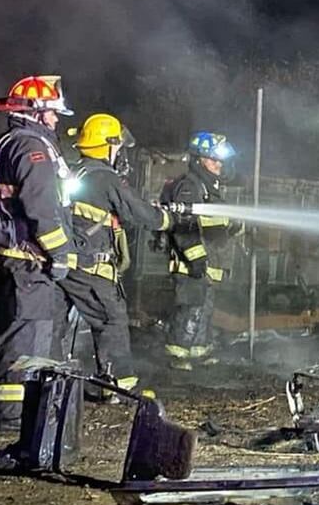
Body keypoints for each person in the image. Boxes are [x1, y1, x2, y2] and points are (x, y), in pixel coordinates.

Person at [61, 113, 183, 392]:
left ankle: (55, 381)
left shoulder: (76, 172)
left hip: (67, 262)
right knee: (111, 319)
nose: (120, 153)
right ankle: (119, 385)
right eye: (117, 146)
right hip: (89, 264)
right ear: (107, 145)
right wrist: (167, 219)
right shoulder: (105, 177)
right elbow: (139, 212)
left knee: (61, 323)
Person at [0, 75, 77, 431]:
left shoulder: (12, 142)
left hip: (15, 256)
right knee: (27, 338)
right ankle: (13, 418)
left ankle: (6, 411)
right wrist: (60, 252)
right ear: (35, 113)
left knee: (15, 334)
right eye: (51, 113)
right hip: (28, 260)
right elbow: (41, 206)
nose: (55, 120)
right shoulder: (31, 147)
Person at [160, 131, 239, 371]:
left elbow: (214, 222)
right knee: (190, 309)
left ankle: (198, 351)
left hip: (208, 264)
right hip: (191, 264)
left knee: (204, 309)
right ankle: (178, 354)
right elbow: (183, 226)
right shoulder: (190, 186)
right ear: (199, 159)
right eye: (213, 159)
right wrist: (195, 258)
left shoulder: (209, 187)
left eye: (220, 160)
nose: (218, 165)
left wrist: (233, 225)